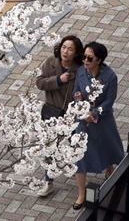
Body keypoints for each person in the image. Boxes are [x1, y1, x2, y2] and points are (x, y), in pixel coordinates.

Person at [72, 41, 124, 210]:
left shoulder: (110, 76)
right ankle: (81, 193)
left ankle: (109, 168)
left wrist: (94, 113)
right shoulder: (81, 71)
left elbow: (109, 100)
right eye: (84, 57)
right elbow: (75, 91)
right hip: (83, 119)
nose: (85, 60)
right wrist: (78, 98)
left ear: (99, 60)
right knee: (79, 155)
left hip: (102, 119)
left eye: (89, 58)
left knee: (107, 146)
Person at [35, 35, 84, 197]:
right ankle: (48, 181)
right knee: (50, 147)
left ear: (76, 53)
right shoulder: (51, 62)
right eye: (64, 47)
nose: (65, 51)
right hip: (52, 112)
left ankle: (82, 187)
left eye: (70, 49)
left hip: (72, 114)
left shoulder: (80, 69)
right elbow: (40, 83)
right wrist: (58, 79)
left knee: (77, 147)